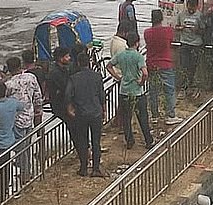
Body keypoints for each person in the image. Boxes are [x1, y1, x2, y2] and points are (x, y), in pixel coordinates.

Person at [65, 49, 107, 178]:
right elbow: (102, 95)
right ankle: (96, 168)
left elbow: (67, 95)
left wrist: (70, 109)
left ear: (78, 63)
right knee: (96, 141)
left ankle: (83, 168)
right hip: (95, 112)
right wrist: (104, 110)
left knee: (83, 141)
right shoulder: (97, 76)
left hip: (81, 114)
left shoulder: (73, 78)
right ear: (89, 62)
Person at [109, 34, 154, 150]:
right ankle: (148, 140)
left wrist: (118, 77)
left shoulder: (121, 55)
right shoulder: (138, 56)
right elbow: (145, 72)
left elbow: (109, 66)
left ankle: (129, 141)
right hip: (137, 92)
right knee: (142, 117)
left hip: (124, 90)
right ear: (137, 43)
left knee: (126, 118)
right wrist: (142, 82)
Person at [4, 55, 43, 180]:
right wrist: (38, 110)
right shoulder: (31, 77)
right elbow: (37, 96)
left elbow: (2, 101)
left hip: (16, 120)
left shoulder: (9, 85)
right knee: (27, 146)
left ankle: (25, 174)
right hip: (29, 116)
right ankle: (27, 170)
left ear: (9, 69)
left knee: (20, 149)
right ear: (20, 65)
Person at [144, 9, 179, 124]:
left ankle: (154, 116)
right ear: (162, 18)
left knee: (153, 91)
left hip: (152, 65)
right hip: (165, 63)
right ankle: (170, 115)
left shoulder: (147, 33)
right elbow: (170, 41)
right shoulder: (168, 31)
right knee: (169, 90)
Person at [176, 0, 205, 92]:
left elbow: (204, 30)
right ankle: (184, 85)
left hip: (196, 44)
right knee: (184, 64)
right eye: (189, 7)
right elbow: (176, 26)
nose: (191, 10)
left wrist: (196, 30)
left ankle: (191, 83)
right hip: (184, 42)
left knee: (193, 65)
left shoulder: (200, 16)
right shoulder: (181, 14)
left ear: (197, 7)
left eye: (193, 8)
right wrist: (181, 28)